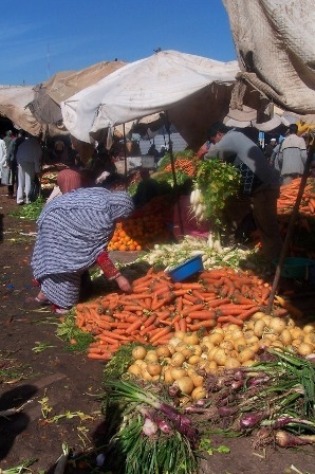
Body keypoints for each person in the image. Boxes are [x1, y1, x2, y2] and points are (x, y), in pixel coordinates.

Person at [31, 187, 134, 313]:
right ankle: (62, 307)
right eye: (123, 218)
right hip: (58, 223)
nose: (122, 221)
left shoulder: (104, 196)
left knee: (55, 261)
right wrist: (119, 279)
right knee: (66, 264)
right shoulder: (100, 217)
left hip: (54, 214)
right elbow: (99, 254)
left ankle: (43, 296)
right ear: (119, 212)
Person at [205, 122, 282, 261]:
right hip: (259, 187)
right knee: (244, 215)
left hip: (263, 188)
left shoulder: (232, 137)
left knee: (268, 228)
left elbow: (212, 154)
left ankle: (275, 264)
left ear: (218, 134)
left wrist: (203, 151)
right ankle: (236, 246)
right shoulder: (237, 137)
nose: (213, 143)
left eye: (213, 141)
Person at [16, 133, 42, 205]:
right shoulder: (36, 145)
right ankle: (27, 199)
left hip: (20, 162)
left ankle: (19, 199)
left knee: (21, 182)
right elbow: (36, 159)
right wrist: (37, 171)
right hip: (29, 163)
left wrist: (18, 164)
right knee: (28, 181)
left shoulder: (24, 143)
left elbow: (18, 153)